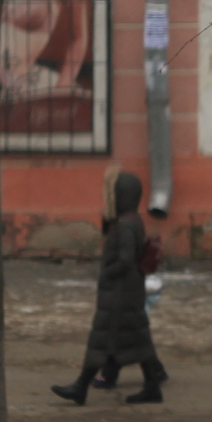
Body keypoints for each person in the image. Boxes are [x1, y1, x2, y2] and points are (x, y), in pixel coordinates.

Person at [52, 169, 165, 405]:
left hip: (119, 291)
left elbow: (124, 259)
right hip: (128, 289)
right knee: (135, 338)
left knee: (104, 339)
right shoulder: (133, 220)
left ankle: (81, 386)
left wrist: (106, 274)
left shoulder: (124, 225)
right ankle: (151, 386)